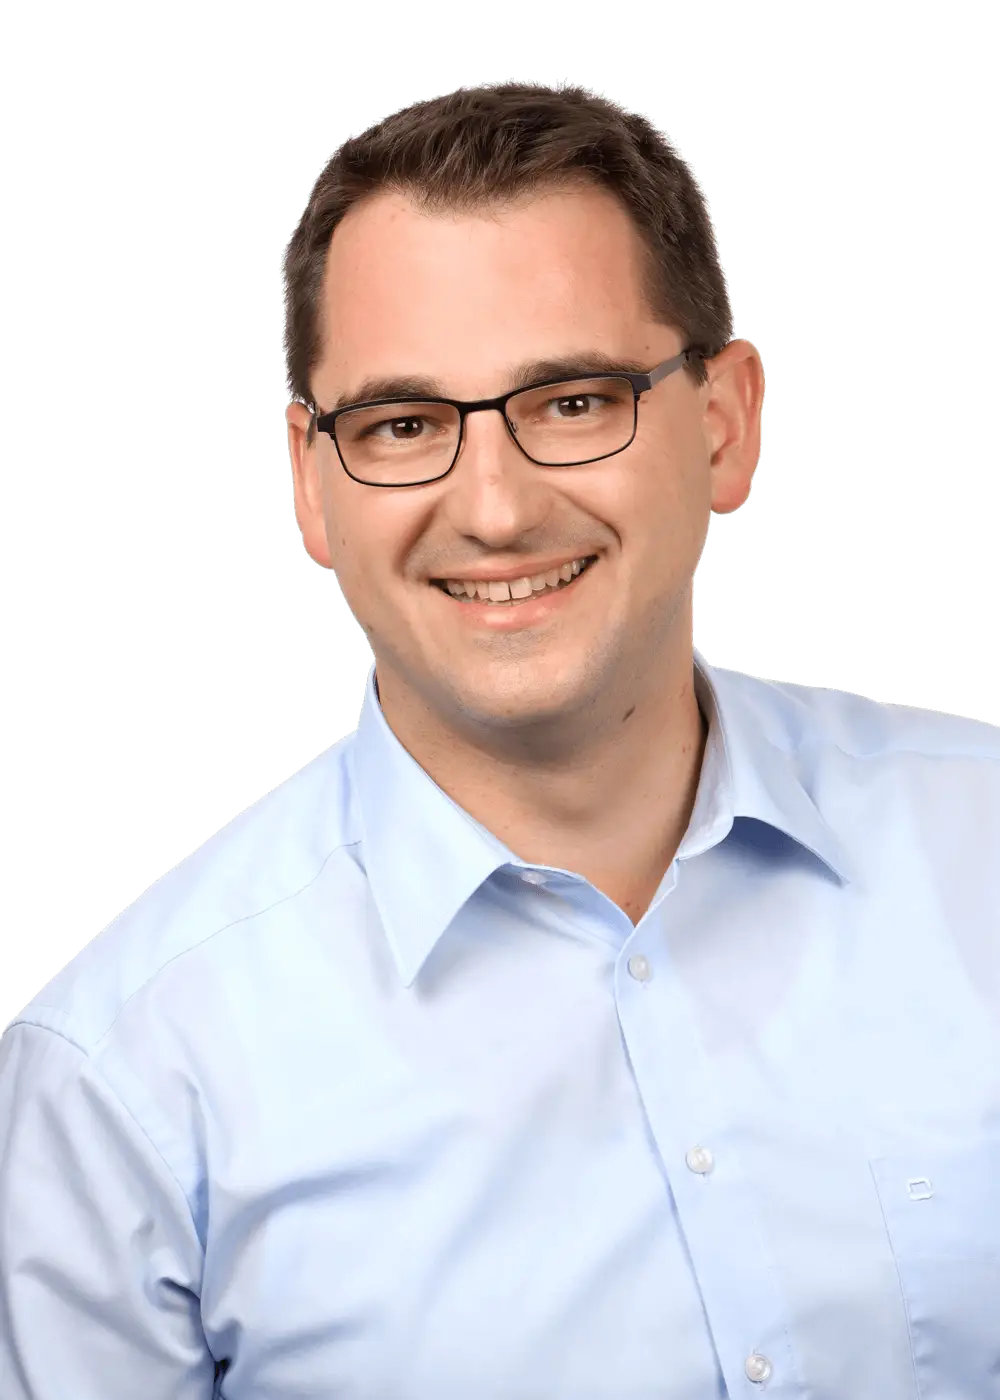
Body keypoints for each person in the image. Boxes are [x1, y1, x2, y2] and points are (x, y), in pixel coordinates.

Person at [1, 81, 997, 1400]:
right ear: (310, 480)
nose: (495, 508)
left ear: (726, 423)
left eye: (573, 401)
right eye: (403, 425)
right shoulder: (127, 1080)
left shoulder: (986, 848)